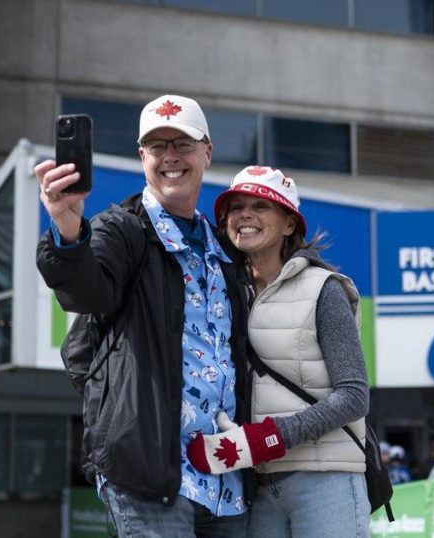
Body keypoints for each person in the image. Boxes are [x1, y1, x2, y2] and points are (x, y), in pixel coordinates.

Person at [35, 94, 255, 536]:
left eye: (183, 144)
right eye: (157, 147)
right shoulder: (123, 228)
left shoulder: (223, 249)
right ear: (142, 157)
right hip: (150, 475)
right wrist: (67, 228)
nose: (170, 157)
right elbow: (86, 291)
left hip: (226, 479)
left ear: (207, 152)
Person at [185, 165, 371, 537]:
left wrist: (268, 438)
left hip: (327, 481)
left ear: (290, 224)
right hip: (260, 487)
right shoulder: (223, 291)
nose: (245, 215)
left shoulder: (324, 288)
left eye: (261, 206)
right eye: (236, 207)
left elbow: (354, 396)